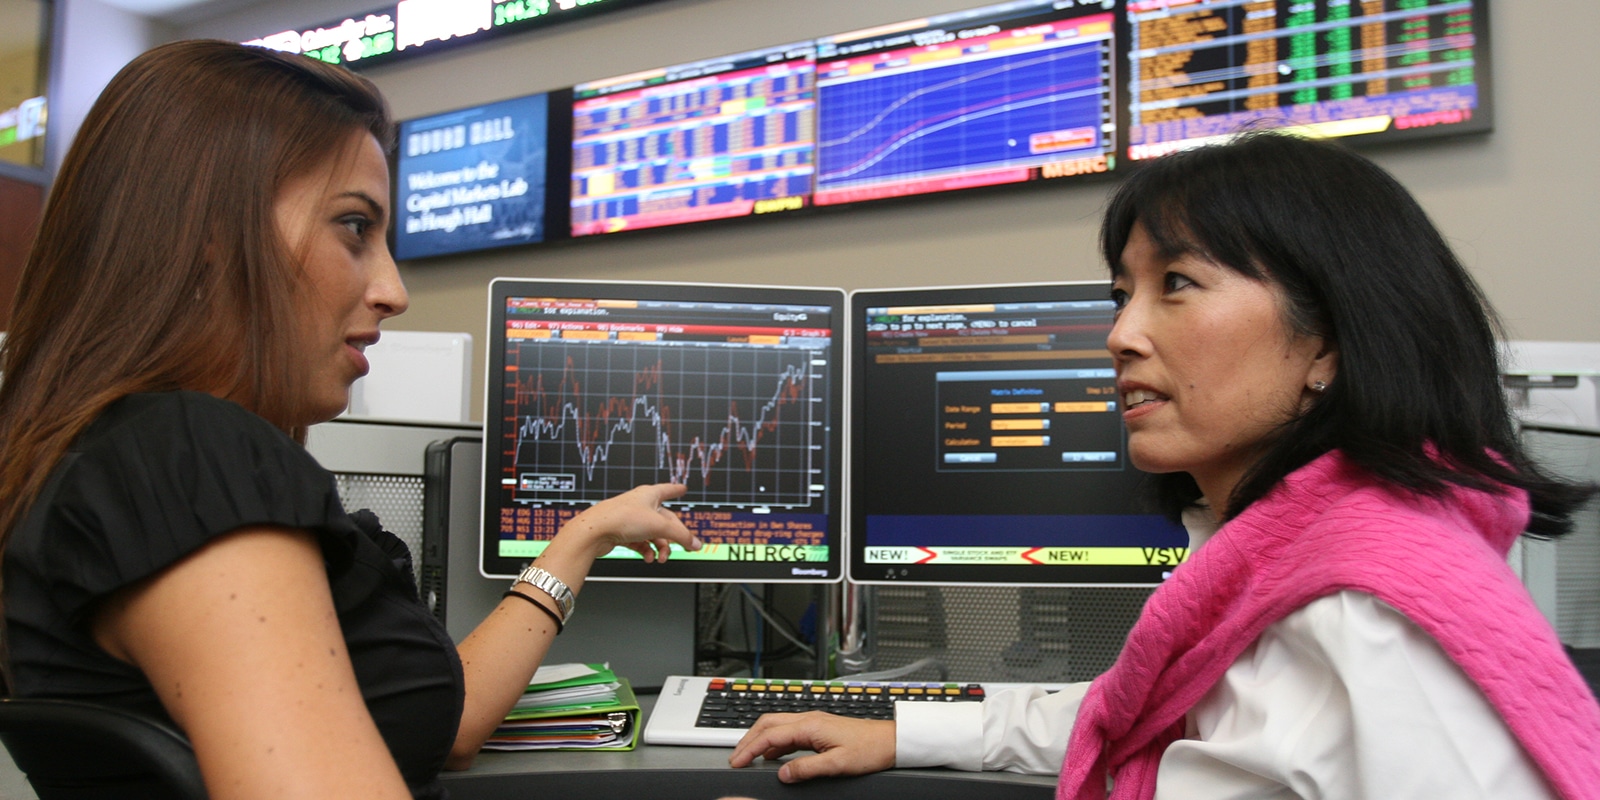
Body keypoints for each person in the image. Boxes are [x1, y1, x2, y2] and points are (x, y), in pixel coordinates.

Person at [730, 131, 1600, 798]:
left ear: (1329, 336)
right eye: (1121, 295)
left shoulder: (1371, 616)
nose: (1119, 335)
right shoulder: (1288, 561)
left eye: (1176, 284)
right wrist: (906, 734)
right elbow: (1134, 708)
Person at [0, 40, 700, 799]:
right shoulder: (188, 458)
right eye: (355, 228)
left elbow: (442, 724)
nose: (393, 290)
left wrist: (580, 538)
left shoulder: (124, 464)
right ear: (206, 237)